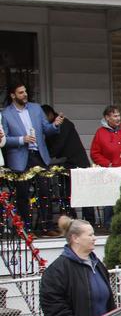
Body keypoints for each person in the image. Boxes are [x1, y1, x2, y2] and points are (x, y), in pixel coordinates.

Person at [39, 217, 115, 316]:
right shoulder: (58, 270)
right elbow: (52, 305)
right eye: (90, 235)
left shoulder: (98, 265)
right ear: (75, 238)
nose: (94, 238)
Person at [2, 83, 62, 231]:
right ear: (13, 95)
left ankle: (46, 226)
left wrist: (55, 125)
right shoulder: (6, 114)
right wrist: (22, 139)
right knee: (22, 194)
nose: (25, 94)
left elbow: (47, 130)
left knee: (45, 191)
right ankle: (25, 228)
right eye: (21, 92)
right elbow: (4, 140)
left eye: (25, 91)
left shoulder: (36, 108)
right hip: (20, 158)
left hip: (39, 155)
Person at [41, 105, 89, 169]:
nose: (42, 121)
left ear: (50, 114)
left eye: (44, 117)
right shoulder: (49, 127)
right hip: (65, 161)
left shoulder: (63, 123)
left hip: (76, 162)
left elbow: (59, 144)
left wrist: (46, 157)